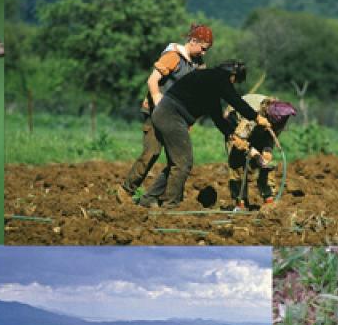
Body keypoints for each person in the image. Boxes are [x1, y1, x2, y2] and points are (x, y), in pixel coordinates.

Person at [137, 60, 272, 209]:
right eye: (235, 80)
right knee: (183, 163)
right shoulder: (220, 78)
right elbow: (236, 101)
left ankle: (149, 198)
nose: (233, 84)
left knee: (177, 163)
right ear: (232, 74)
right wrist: (257, 117)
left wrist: (232, 136)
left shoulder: (210, 85)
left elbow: (218, 118)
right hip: (171, 115)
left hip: (169, 114)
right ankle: (170, 205)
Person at [119, 24, 213, 199]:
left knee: (177, 161)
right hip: (156, 112)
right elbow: (152, 80)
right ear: (193, 41)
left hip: (177, 118)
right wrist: (158, 102)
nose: (203, 52)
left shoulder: (199, 65)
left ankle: (152, 198)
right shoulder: (173, 57)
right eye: (202, 48)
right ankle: (126, 191)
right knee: (151, 153)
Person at [224, 94, 297, 209]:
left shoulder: (277, 115)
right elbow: (238, 141)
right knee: (236, 164)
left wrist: (266, 151)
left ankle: (269, 199)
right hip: (235, 125)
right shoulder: (250, 116)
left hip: (257, 126)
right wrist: (253, 153)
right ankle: (240, 202)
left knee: (265, 163)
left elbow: (270, 136)